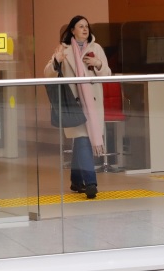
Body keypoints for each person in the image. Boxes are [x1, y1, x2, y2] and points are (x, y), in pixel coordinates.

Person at [44, 15, 111, 198]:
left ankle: (76, 179)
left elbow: (107, 74)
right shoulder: (63, 49)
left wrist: (98, 64)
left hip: (93, 104)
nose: (85, 29)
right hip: (74, 104)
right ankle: (91, 182)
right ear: (72, 30)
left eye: (86, 26)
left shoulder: (96, 48)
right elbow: (47, 73)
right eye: (80, 26)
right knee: (82, 139)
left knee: (82, 140)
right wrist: (57, 60)